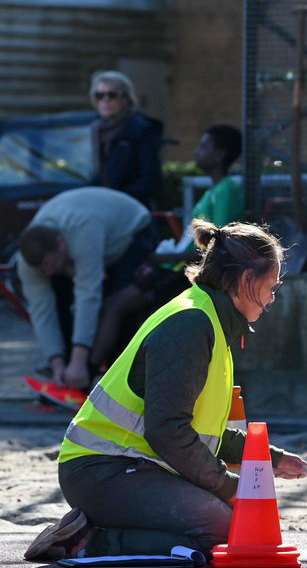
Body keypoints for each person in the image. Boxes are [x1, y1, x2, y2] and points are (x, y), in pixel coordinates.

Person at [23, 219, 307, 562]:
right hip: (103, 471)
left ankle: (109, 533)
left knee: (232, 521)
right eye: (272, 285)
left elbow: (206, 434)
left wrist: (270, 458)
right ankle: (84, 542)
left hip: (130, 466)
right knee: (223, 528)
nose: (273, 296)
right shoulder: (192, 324)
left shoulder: (209, 319)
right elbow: (169, 431)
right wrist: (231, 486)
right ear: (247, 279)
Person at [89, 125, 246, 370]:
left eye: (204, 146)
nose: (197, 151)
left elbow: (218, 246)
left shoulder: (226, 190)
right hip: (172, 268)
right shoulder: (215, 190)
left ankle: (86, 375)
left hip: (175, 273)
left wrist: (164, 259)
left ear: (219, 155)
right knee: (120, 308)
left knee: (114, 307)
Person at [16, 187, 158, 393]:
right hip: (87, 231)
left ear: (60, 243)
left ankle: (113, 382)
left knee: (115, 306)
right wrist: (57, 362)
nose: (48, 271)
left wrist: (80, 359)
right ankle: (67, 377)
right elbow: (42, 312)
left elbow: (88, 295)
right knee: (59, 301)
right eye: (42, 269)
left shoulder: (82, 232)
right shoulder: (27, 263)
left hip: (129, 231)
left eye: (51, 264)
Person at [89, 70, 164, 209]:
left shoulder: (141, 129)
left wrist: (120, 198)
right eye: (100, 95)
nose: (105, 100)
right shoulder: (94, 129)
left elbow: (151, 179)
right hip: (99, 205)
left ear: (125, 98)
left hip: (131, 207)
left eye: (112, 95)